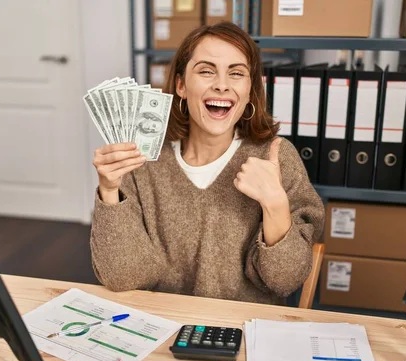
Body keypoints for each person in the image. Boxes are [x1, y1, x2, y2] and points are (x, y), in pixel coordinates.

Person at [90, 22, 324, 305]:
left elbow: (284, 280)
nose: (222, 85)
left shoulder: (276, 157)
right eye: (206, 71)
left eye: (236, 73)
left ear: (250, 89)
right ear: (181, 85)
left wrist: (275, 205)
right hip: (162, 327)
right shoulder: (142, 158)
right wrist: (110, 191)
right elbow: (123, 277)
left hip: (243, 332)